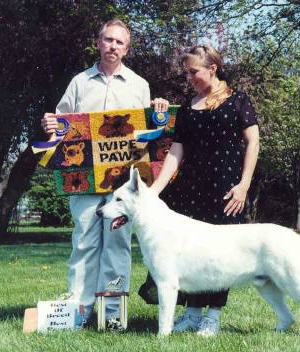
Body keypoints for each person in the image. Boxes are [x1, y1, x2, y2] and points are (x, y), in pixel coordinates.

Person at [41, 19, 168, 330]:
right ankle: (78, 313)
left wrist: (159, 111)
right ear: (98, 42)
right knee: (83, 241)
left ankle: (113, 315)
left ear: (127, 49)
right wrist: (50, 125)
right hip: (83, 179)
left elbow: (150, 132)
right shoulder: (79, 82)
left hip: (124, 183)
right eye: (108, 40)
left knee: (117, 244)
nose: (112, 46)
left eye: (119, 42)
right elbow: (61, 123)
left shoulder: (139, 85)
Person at [149, 45, 260, 336]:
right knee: (192, 256)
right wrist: (155, 190)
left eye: (193, 71)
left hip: (226, 190)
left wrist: (244, 185)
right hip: (189, 191)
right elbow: (175, 152)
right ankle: (192, 313)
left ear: (212, 68)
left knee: (221, 255)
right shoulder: (187, 107)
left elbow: (253, 143)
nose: (189, 77)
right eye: (187, 72)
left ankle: (213, 316)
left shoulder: (238, 101)